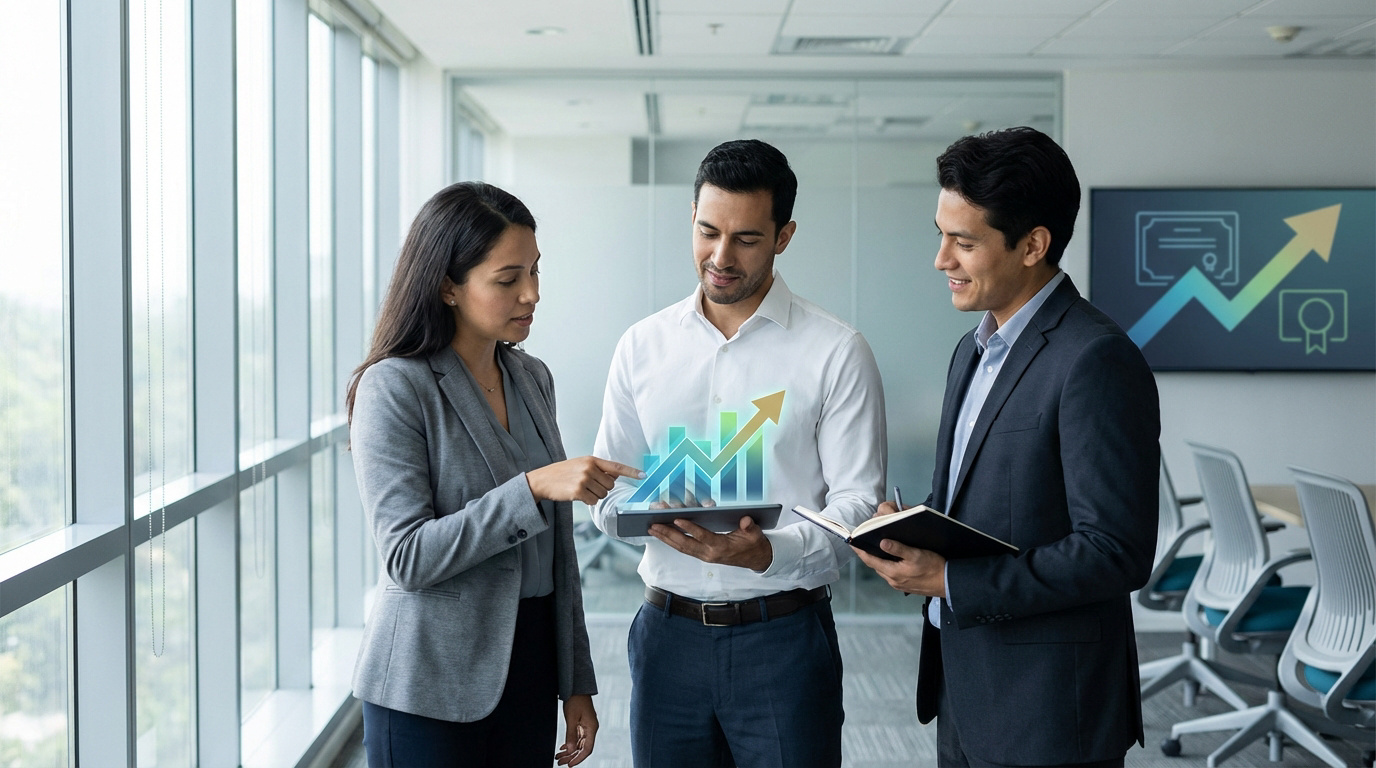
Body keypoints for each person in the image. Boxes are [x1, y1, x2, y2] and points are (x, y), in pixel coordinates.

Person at [853, 127, 1160, 767]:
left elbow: (1115, 552)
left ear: (1033, 246)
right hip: (967, 687)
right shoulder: (973, 349)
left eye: (963, 242)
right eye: (941, 235)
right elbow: (974, 496)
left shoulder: (1095, 360)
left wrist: (950, 579)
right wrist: (911, 533)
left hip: (1047, 710)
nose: (941, 259)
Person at [591, 139, 887, 767]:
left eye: (747, 239)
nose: (720, 257)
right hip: (665, 637)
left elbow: (858, 503)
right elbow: (607, 490)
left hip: (783, 636)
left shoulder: (836, 350)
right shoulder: (641, 347)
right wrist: (641, 509)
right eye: (707, 232)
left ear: (783, 237)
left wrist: (769, 553)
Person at [347, 181, 643, 767]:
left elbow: (558, 553)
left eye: (535, 272)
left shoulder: (533, 378)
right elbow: (406, 556)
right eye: (508, 280)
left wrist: (575, 679)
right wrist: (531, 488)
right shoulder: (394, 387)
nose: (531, 294)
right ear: (447, 287)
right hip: (427, 683)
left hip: (528, 665)